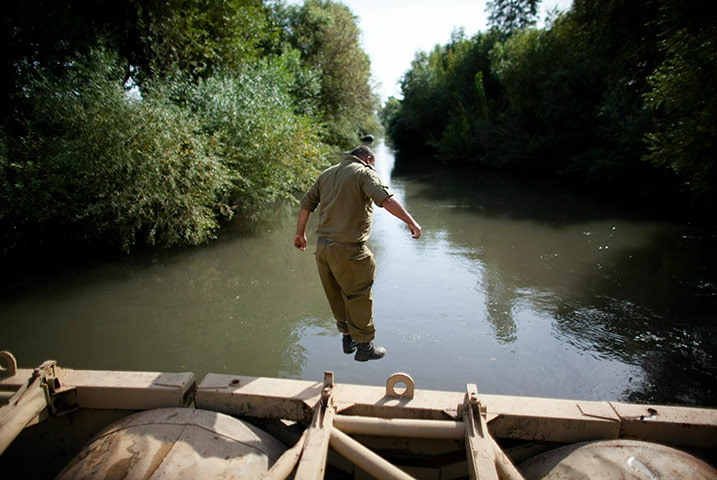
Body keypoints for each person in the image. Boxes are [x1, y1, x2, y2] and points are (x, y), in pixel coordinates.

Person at [294, 145, 421, 361]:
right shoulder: (364, 172)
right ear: (369, 159)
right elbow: (386, 199)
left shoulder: (326, 174)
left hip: (323, 249)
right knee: (358, 294)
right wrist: (411, 221)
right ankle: (364, 346)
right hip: (349, 249)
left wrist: (300, 233)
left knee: (336, 294)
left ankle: (347, 337)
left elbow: (307, 204)